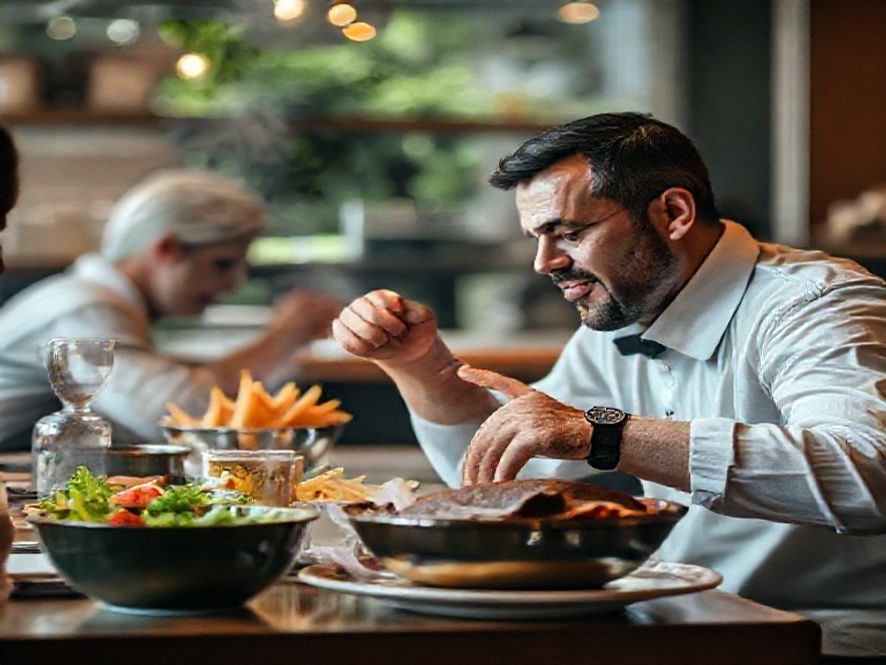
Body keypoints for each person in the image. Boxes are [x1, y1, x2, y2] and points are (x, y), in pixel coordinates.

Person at [333, 112, 886, 659]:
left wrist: (601, 434)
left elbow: (868, 472)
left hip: (830, 636)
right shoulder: (624, 311)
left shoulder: (814, 304)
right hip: (688, 619)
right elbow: (517, 473)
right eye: (537, 238)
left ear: (673, 212)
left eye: (567, 233)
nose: (543, 263)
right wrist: (418, 364)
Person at [0, 168, 342, 450]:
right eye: (223, 264)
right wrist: (282, 338)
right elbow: (172, 415)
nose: (236, 282)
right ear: (166, 249)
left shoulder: (94, 299)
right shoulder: (84, 307)